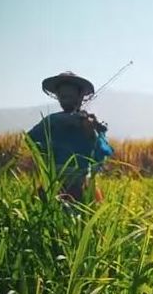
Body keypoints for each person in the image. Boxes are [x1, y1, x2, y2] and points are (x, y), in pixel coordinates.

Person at [27, 71, 113, 202]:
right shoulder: (52, 120)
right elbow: (30, 139)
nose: (66, 99)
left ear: (80, 97)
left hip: (79, 183)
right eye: (63, 96)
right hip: (53, 181)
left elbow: (100, 153)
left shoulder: (87, 122)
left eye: (70, 96)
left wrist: (93, 129)